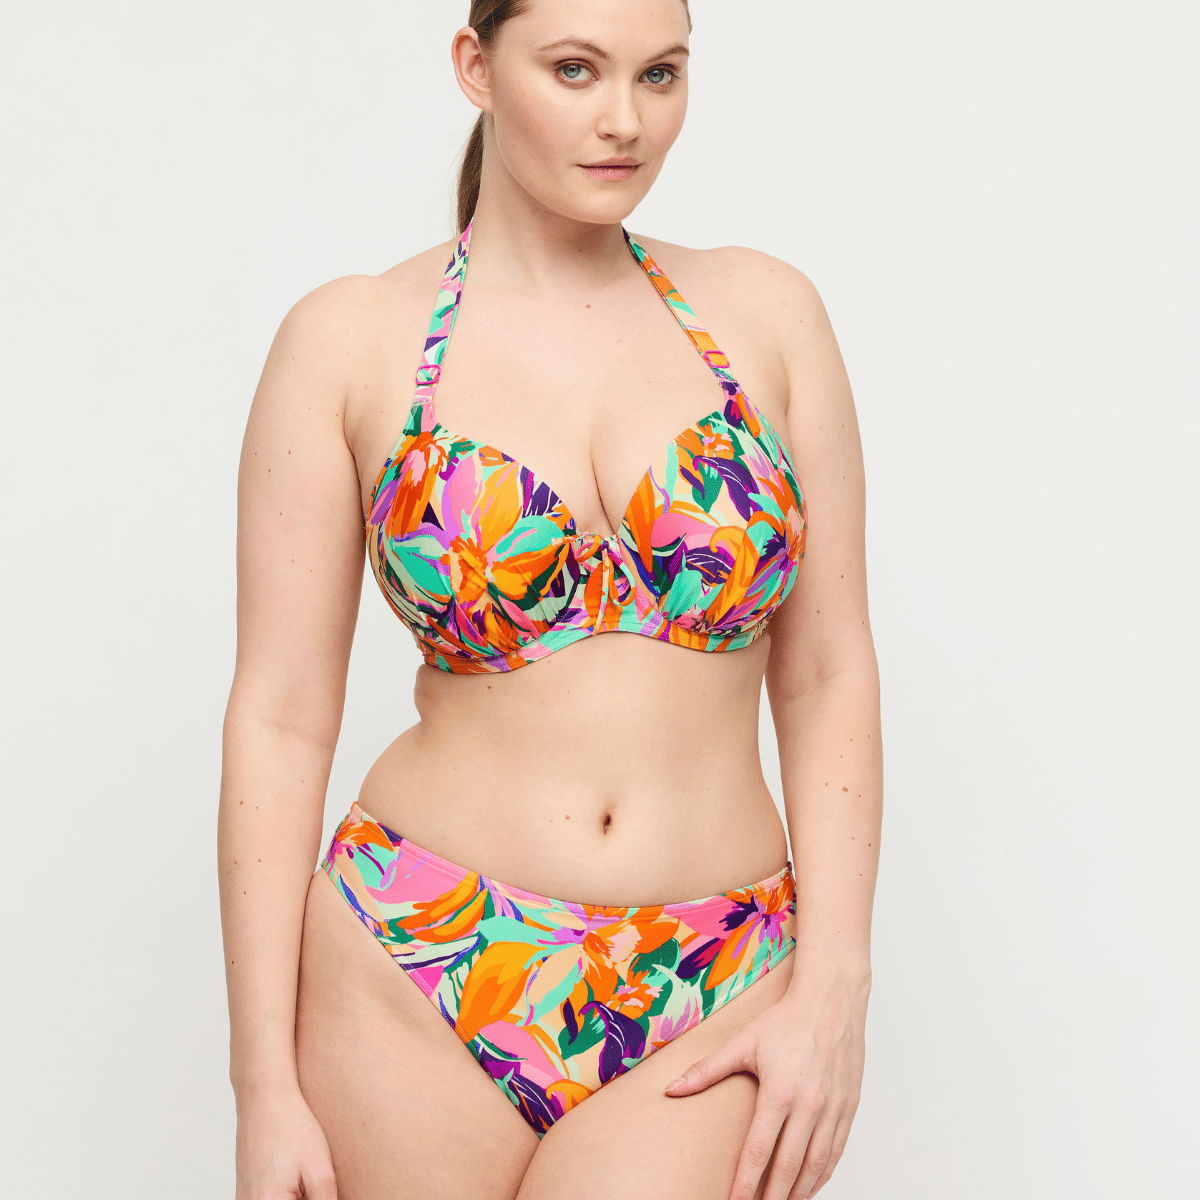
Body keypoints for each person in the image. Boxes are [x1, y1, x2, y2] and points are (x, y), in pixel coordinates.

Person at [218, 1, 882, 1197]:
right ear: (476, 66)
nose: (624, 120)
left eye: (659, 74)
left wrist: (835, 983)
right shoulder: (350, 339)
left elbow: (829, 673)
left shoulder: (767, 316)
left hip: (714, 970)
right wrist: (261, 1083)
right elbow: (280, 714)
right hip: (415, 956)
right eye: (575, 71)